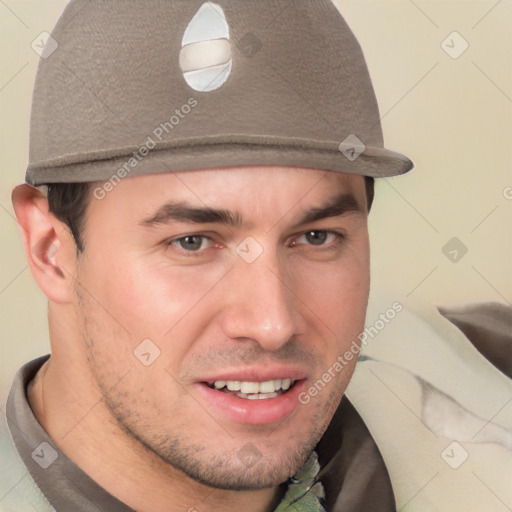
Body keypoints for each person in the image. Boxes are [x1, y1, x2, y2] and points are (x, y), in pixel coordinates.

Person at [2, 1, 510, 511]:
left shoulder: (484, 382)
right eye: (192, 242)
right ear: (50, 250)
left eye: (316, 237)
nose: (273, 323)